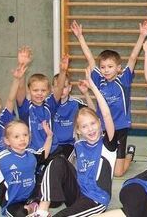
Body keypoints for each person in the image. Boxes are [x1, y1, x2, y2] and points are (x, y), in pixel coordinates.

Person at [70, 19, 147, 177]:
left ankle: (129, 154)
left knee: (118, 173)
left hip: (120, 128)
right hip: (103, 128)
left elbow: (133, 57)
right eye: (103, 67)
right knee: (102, 165)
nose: (106, 70)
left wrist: (142, 36)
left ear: (118, 68)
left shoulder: (124, 80)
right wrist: (80, 36)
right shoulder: (99, 80)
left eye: (110, 67)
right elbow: (90, 59)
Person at [32, 68, 118, 217]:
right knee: (58, 161)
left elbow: (106, 114)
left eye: (93, 124)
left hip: (95, 199)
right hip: (77, 193)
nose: (90, 129)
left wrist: (92, 87)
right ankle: (41, 210)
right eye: (84, 126)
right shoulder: (78, 145)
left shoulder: (107, 145)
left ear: (100, 123)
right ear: (78, 131)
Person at [16, 52, 67, 157]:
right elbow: (20, 90)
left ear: (48, 91)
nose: (39, 93)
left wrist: (63, 71)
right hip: (32, 152)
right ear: (29, 90)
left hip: (52, 150)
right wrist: (22, 67)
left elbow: (60, 88)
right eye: (35, 90)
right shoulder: (26, 108)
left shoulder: (50, 105)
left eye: (43, 90)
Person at [52, 68, 94, 159]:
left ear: (70, 87)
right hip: (51, 145)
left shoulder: (75, 103)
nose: (61, 90)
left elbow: (93, 114)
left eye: (64, 87)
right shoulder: (48, 104)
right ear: (52, 88)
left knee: (63, 163)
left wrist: (86, 93)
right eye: (58, 86)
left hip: (69, 144)